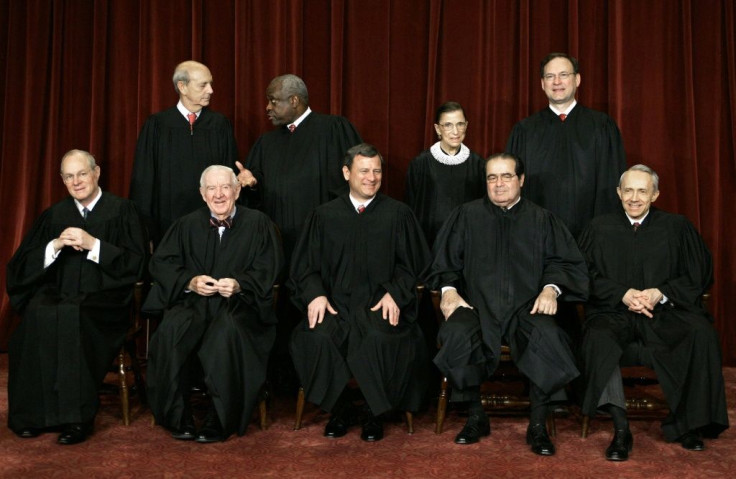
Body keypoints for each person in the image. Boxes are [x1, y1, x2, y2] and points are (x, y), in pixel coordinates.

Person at [426, 153, 589, 455]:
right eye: (491, 177)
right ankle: (476, 415)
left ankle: (538, 424)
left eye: (506, 176)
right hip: (476, 306)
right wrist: (448, 290)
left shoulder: (542, 219)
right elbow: (444, 263)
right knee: (457, 333)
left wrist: (551, 290)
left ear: (521, 180)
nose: (499, 184)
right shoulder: (466, 216)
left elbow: (564, 262)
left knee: (548, 336)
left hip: (526, 308)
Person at [577, 164, 729, 461]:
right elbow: (582, 275)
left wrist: (661, 292)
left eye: (642, 191)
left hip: (664, 311)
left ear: (655, 194)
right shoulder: (598, 228)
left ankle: (690, 424)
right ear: (619, 193)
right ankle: (621, 430)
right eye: (629, 190)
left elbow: (699, 273)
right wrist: (622, 293)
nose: (635, 198)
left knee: (700, 333)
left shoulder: (677, 227)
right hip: (614, 311)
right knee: (598, 339)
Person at [289, 143, 431, 442]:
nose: (371, 177)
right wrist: (315, 294)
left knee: (381, 337)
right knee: (317, 337)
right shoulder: (324, 216)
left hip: (379, 305)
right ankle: (340, 409)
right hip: (335, 306)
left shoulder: (398, 214)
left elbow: (415, 267)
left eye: (377, 171)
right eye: (364, 170)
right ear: (346, 173)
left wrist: (396, 292)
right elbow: (304, 267)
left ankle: (373, 412)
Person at [6, 149, 147, 445]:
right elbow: (20, 266)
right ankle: (32, 416)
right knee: (36, 312)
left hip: (103, 299)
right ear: (62, 180)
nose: (77, 181)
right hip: (59, 293)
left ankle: (75, 419)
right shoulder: (54, 215)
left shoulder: (122, 211)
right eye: (69, 176)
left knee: (74, 316)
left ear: (96, 173)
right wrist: (54, 246)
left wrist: (94, 244)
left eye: (82, 173)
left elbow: (137, 264)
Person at [143, 165, 283, 443]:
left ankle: (219, 418)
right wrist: (190, 281)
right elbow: (161, 263)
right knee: (172, 329)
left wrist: (240, 283)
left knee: (226, 333)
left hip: (240, 307)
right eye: (211, 188)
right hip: (194, 304)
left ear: (237, 190)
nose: (219, 195)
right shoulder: (185, 224)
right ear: (202, 193)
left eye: (225, 187)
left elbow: (271, 267)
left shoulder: (259, 224)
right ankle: (177, 415)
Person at [236, 73, 362, 264]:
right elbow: (255, 197)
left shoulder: (333, 129)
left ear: (294, 100)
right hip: (279, 247)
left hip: (325, 242)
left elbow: (355, 182)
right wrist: (253, 183)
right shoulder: (266, 143)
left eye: (273, 101)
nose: (268, 107)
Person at [506, 52, 626, 239]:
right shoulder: (525, 131)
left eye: (564, 75)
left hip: (592, 236)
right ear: (542, 83)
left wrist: (604, 232)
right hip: (537, 237)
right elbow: (512, 186)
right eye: (550, 76)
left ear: (577, 80)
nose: (557, 82)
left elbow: (611, 183)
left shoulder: (602, 127)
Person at [130, 60, 239, 247]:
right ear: (182, 87)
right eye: (203, 85)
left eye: (211, 84)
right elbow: (144, 180)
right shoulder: (157, 125)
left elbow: (230, 174)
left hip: (211, 224)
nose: (211, 90)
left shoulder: (219, 125)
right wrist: (144, 229)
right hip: (166, 225)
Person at [405, 101, 486, 246]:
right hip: (429, 243)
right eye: (448, 125)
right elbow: (411, 208)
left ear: (466, 126)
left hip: (467, 242)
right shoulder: (420, 164)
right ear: (437, 129)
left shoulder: (478, 164)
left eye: (460, 124)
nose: (455, 131)